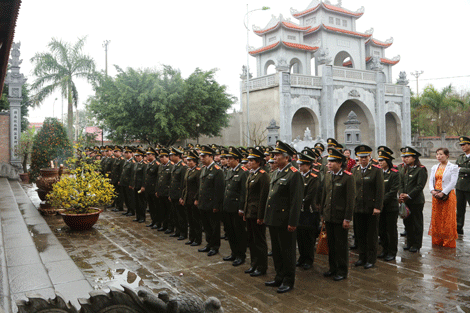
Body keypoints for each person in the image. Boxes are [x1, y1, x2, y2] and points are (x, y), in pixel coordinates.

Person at [264, 141, 303, 293]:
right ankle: (279, 276)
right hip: (274, 219)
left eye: (277, 155)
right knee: (277, 251)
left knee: (287, 252)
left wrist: (293, 222)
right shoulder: (276, 172)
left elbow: (296, 201)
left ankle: (288, 280)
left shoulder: (294, 174)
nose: (274, 157)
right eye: (274, 155)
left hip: (285, 220)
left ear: (287, 158)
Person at [321, 148, 355, 281]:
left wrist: (347, 218)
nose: (329, 164)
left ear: (340, 163)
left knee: (341, 245)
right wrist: (323, 213)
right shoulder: (329, 175)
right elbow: (325, 194)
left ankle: (342, 270)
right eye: (329, 161)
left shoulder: (347, 177)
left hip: (340, 217)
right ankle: (332, 268)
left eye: (332, 161)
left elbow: (350, 199)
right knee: (331, 244)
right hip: (329, 215)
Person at [351, 145, 384, 269]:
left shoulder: (376, 170)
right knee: (360, 234)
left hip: (371, 208)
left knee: (371, 234)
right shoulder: (355, 170)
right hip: (358, 207)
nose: (363, 160)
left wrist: (377, 207)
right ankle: (362, 257)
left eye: (365, 157)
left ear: (370, 157)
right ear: (357, 158)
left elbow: (380, 190)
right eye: (361, 157)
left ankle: (371, 259)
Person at [243, 147, 270, 277]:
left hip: (257, 213)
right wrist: (245, 212)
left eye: (252, 161)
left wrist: (261, 216)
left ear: (258, 162)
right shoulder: (252, 174)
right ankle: (254, 263)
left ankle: (261, 266)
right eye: (248, 161)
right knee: (251, 240)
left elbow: (263, 198)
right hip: (249, 212)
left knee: (259, 241)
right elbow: (247, 195)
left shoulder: (263, 176)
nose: (249, 163)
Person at [222, 147, 248, 267]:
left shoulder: (243, 172)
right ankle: (233, 252)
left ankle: (240, 255)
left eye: (230, 158)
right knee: (230, 231)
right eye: (227, 158)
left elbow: (244, 192)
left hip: (236, 207)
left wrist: (241, 208)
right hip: (228, 207)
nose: (228, 160)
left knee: (239, 233)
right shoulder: (229, 171)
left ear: (237, 159)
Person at [197, 145, 225, 256]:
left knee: (214, 227)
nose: (201, 158)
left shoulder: (218, 171)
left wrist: (216, 205)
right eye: (201, 156)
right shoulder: (204, 169)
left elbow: (219, 190)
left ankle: (215, 246)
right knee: (206, 226)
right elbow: (201, 187)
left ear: (211, 157)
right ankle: (208, 244)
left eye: (204, 156)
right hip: (203, 203)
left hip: (212, 204)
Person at [398, 146, 428, 253]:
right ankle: (409, 243)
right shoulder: (402, 168)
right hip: (405, 200)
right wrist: (401, 194)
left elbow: (420, 186)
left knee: (416, 223)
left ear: (414, 158)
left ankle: (416, 244)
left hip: (416, 201)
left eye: (408, 157)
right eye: (404, 157)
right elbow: (400, 182)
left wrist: (408, 195)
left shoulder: (420, 169)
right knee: (407, 223)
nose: (405, 158)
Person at [428, 147, 459, 247]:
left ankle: (447, 241)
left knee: (447, 218)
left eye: (441, 154)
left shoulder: (453, 167)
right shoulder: (434, 167)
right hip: (436, 195)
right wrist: (432, 190)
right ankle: (437, 239)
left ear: (447, 155)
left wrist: (444, 192)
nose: (439, 156)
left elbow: (453, 182)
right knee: (437, 217)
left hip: (448, 195)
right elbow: (431, 180)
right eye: (437, 154)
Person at [296, 150, 321, 271]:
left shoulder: (313, 178)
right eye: (299, 164)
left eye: (302, 165)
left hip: (309, 211)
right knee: (299, 236)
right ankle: (302, 256)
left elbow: (310, 195)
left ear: (308, 165)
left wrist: (298, 201)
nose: (299, 166)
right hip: (299, 212)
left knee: (308, 237)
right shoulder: (298, 176)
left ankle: (309, 259)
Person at [377, 150, 399, 261]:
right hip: (380, 207)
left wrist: (380, 201)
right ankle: (384, 250)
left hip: (390, 206)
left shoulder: (394, 173)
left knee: (391, 230)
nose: (380, 162)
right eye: (379, 160)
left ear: (388, 161)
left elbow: (393, 191)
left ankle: (392, 252)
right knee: (382, 230)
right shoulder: (378, 173)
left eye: (382, 160)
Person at [180, 149, 202, 246]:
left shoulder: (198, 172)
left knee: (196, 220)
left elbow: (199, 187)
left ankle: (197, 239)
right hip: (187, 199)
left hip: (194, 200)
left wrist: (197, 198)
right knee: (190, 220)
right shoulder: (188, 171)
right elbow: (185, 186)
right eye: (187, 161)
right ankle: (191, 238)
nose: (188, 162)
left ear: (195, 162)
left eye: (190, 161)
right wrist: (182, 197)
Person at [168, 147, 188, 240]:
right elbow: (172, 181)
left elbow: (183, 184)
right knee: (175, 214)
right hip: (173, 194)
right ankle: (177, 231)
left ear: (178, 156)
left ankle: (183, 233)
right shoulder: (175, 166)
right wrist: (170, 194)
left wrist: (181, 196)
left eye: (172, 155)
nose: (171, 157)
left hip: (178, 194)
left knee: (181, 215)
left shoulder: (183, 167)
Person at [156, 148, 174, 234]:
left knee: (169, 211)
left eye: (163, 157)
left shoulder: (171, 166)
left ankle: (170, 227)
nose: (161, 159)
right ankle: (164, 225)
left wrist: (170, 193)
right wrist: (157, 190)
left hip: (167, 192)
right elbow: (158, 179)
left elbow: (172, 181)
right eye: (160, 157)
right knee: (162, 210)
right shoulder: (160, 166)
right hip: (161, 192)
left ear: (168, 157)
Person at [456, 136, 470, 235]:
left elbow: (458, 169)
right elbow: (455, 169)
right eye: (461, 145)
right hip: (460, 186)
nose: (462, 147)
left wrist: (461, 169)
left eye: (464, 145)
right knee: (460, 208)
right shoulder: (461, 157)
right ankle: (459, 227)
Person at [143, 147, 160, 229]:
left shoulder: (157, 165)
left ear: (153, 155)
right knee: (151, 206)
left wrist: (157, 189)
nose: (147, 156)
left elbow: (158, 178)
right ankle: (153, 221)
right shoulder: (149, 164)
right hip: (148, 189)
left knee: (156, 207)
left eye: (148, 154)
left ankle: (157, 222)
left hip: (153, 189)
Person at [119, 146, 137, 217]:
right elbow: (123, 172)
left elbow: (133, 174)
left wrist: (131, 184)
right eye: (125, 153)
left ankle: (132, 210)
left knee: (130, 198)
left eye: (127, 153)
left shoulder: (133, 162)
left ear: (131, 153)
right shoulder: (126, 161)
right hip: (124, 182)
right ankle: (128, 209)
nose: (125, 154)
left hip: (128, 183)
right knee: (126, 197)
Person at [131, 148, 147, 223]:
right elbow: (134, 175)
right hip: (136, 185)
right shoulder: (136, 164)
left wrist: (143, 186)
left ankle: (142, 217)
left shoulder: (144, 165)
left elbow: (144, 177)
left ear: (142, 156)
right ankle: (138, 216)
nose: (137, 157)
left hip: (140, 186)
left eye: (138, 156)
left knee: (141, 202)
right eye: (136, 156)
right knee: (136, 202)